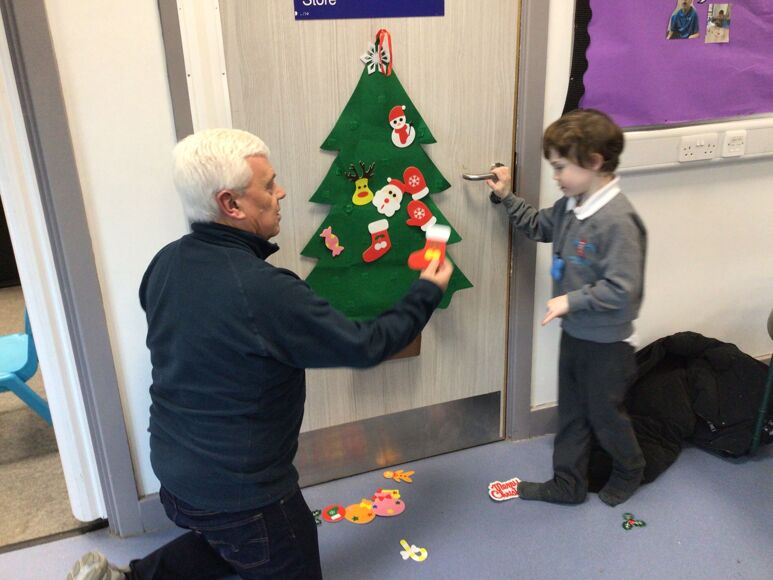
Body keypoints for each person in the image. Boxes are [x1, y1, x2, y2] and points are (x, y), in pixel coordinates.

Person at [68, 128, 453, 579]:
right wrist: (427, 290)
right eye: (269, 186)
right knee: (262, 540)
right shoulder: (265, 291)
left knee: (230, 538)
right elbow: (368, 346)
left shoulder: (165, 263)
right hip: (245, 495)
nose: (281, 192)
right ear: (231, 204)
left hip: (173, 474)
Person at [486, 109, 647, 507]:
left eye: (560, 167)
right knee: (572, 413)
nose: (556, 176)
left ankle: (630, 468)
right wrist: (506, 196)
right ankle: (567, 483)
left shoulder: (618, 221)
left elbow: (623, 289)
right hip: (575, 334)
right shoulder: (570, 206)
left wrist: (570, 300)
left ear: (593, 162)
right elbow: (537, 225)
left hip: (607, 345)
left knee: (604, 415)